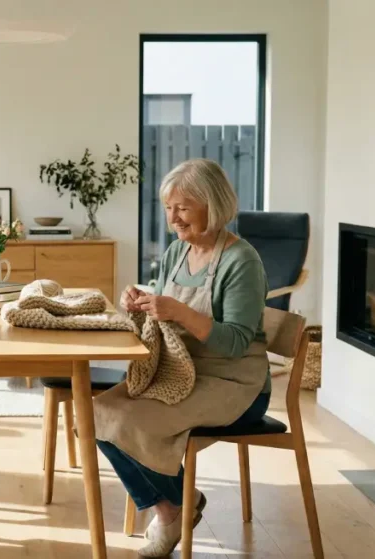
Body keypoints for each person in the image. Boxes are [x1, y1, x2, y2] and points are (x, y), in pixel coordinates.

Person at [93, 158, 271, 557]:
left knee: (133, 419)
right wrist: (140, 304)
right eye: (168, 208)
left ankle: (172, 515)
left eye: (183, 208)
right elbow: (163, 316)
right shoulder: (177, 252)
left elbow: (237, 343)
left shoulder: (241, 261)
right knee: (98, 414)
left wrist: (180, 312)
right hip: (179, 373)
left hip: (235, 385)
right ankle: (174, 507)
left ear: (213, 204)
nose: (173, 218)